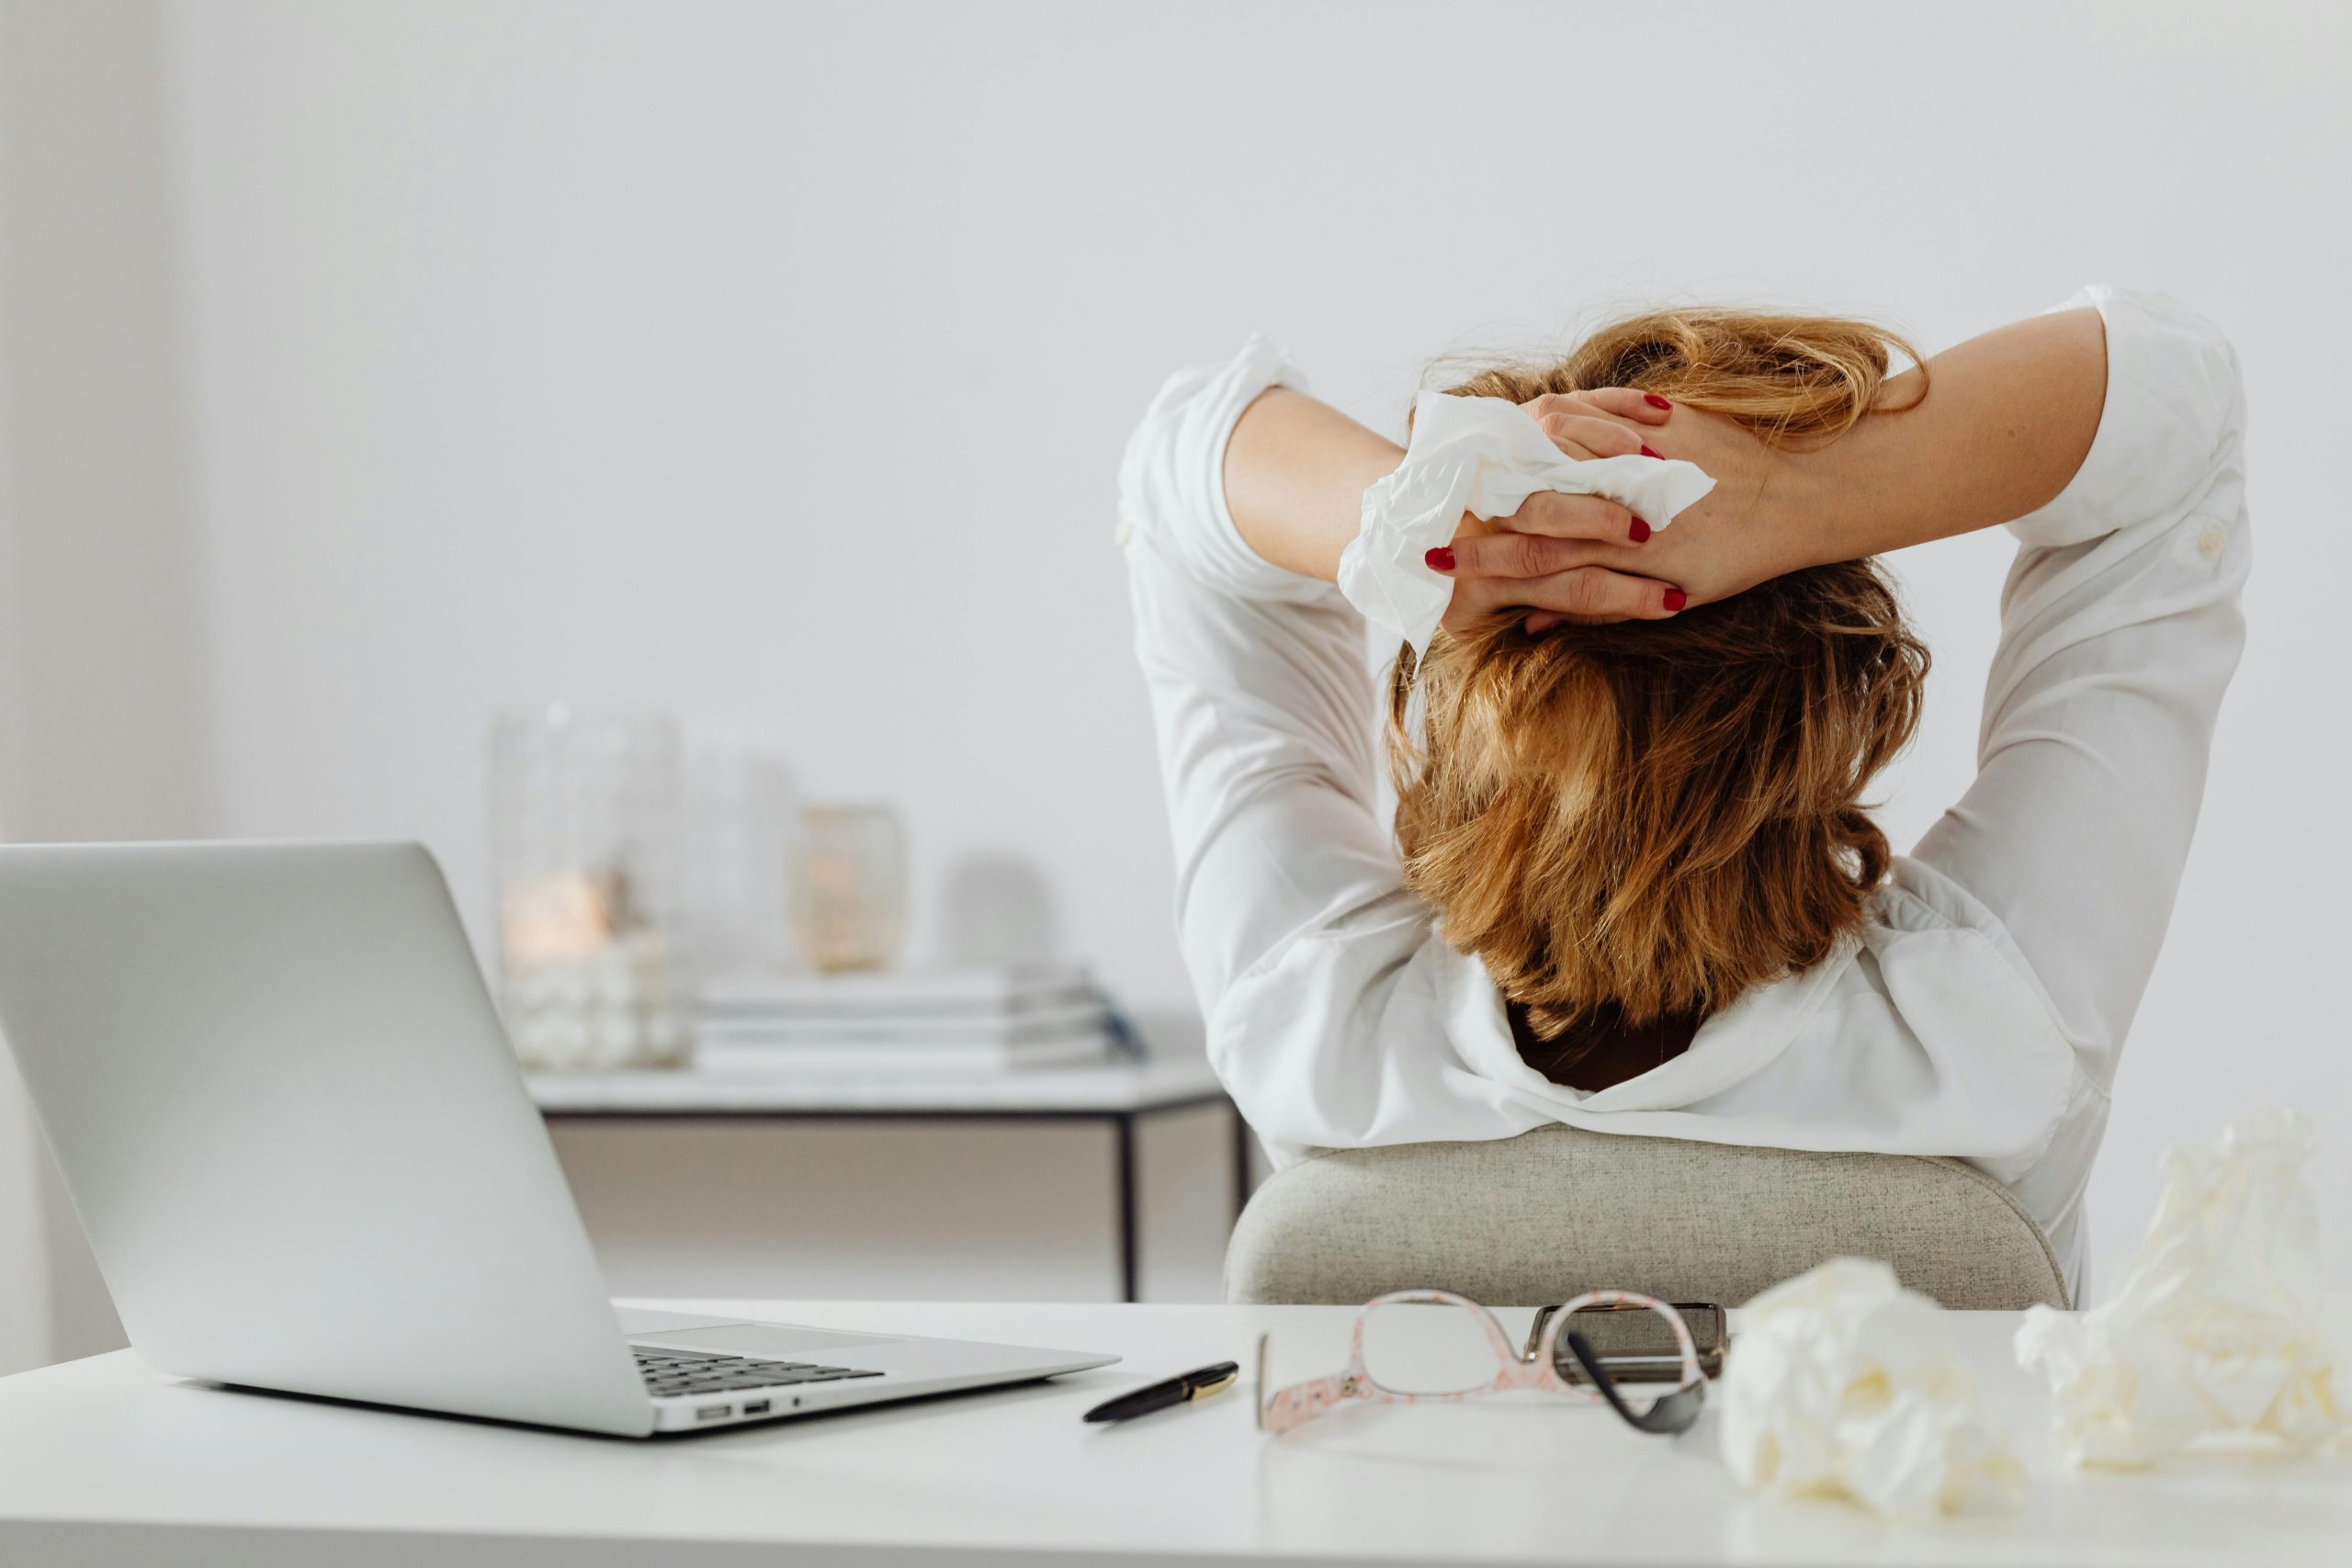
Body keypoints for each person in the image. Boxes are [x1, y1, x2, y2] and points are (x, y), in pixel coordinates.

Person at [1117, 288, 2247, 1300]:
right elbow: (2171, 414)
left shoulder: (1317, 1024)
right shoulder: (1986, 1029)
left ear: (1459, 694)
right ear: (1832, 708)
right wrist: (1809, 492)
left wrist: (1415, 517)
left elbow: (1180, 470)